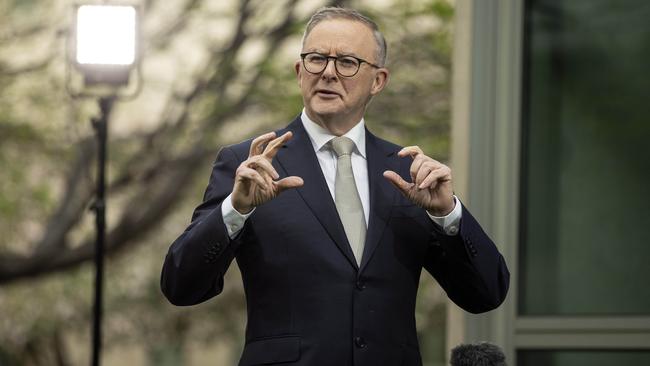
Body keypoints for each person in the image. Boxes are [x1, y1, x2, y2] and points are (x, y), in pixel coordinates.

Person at [161, 7, 509, 366]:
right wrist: (236, 210)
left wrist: (448, 214)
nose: (328, 72)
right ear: (299, 72)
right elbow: (181, 287)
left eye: (347, 62)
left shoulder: (409, 173)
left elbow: (486, 293)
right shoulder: (250, 166)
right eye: (316, 59)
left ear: (378, 80)